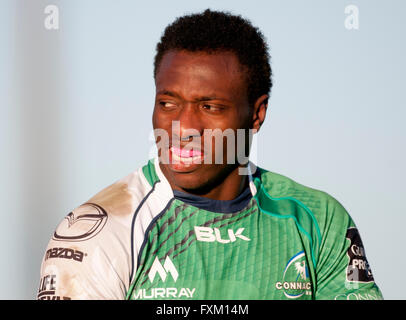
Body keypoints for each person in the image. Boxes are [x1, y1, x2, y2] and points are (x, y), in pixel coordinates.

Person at [37, 9, 383, 300]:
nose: (183, 126)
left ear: (256, 115)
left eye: (210, 106)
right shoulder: (100, 230)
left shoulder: (317, 220)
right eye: (168, 103)